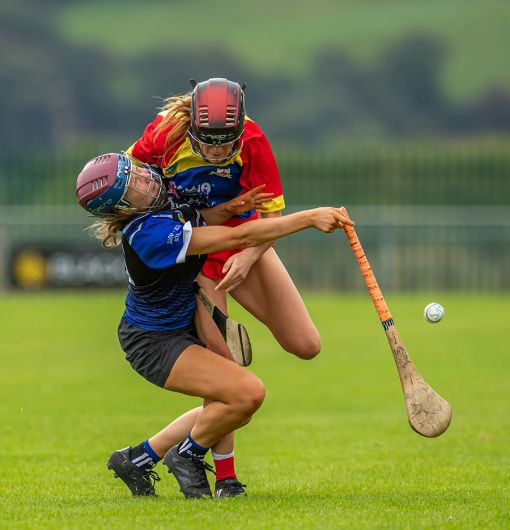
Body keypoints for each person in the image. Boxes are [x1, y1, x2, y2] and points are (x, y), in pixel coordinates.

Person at [76, 152, 353, 500]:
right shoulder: (150, 234)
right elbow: (235, 239)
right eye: (134, 189)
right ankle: (187, 454)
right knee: (246, 394)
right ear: (123, 210)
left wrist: (231, 206)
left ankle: (138, 458)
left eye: (139, 175)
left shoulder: (162, 208)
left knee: (231, 409)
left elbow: (199, 218)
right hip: (154, 343)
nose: (146, 182)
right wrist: (309, 218)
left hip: (180, 326)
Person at [126, 77, 324, 364]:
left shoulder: (253, 140)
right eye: (208, 144)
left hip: (245, 238)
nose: (217, 153)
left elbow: (273, 217)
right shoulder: (164, 134)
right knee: (227, 365)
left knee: (306, 344)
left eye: (226, 144)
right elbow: (128, 175)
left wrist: (249, 256)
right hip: (196, 247)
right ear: (193, 127)